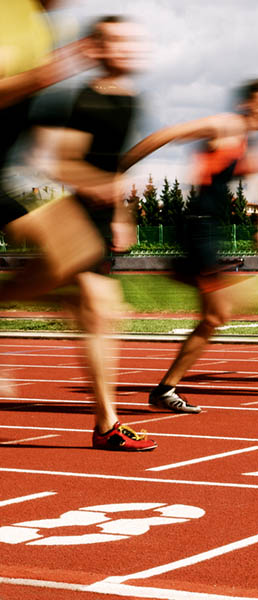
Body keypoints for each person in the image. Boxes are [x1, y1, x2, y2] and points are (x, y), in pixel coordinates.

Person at [120, 78, 258, 413]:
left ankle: (177, 273)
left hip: (211, 230)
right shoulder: (224, 125)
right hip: (198, 228)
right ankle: (165, 390)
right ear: (249, 103)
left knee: (222, 310)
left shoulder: (256, 143)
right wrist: (116, 169)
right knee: (218, 314)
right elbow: (164, 135)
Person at [46, 15, 156, 449]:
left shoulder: (129, 100)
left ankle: (105, 421)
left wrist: (121, 213)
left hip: (97, 215)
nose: (127, 47)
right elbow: (63, 163)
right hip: (68, 212)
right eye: (116, 41)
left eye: (132, 39)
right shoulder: (85, 100)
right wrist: (99, 189)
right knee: (97, 307)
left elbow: (113, 167)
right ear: (95, 48)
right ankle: (106, 423)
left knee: (101, 313)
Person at [0, 0, 105, 301]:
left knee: (78, 250)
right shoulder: (9, 13)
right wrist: (50, 71)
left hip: (8, 170)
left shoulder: (41, 25)